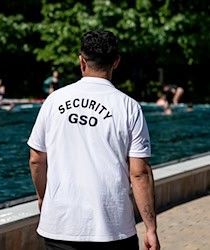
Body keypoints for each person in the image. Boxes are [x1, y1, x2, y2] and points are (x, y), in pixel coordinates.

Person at [27, 30, 160, 250]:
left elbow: (36, 159)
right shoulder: (128, 107)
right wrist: (151, 228)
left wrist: (44, 198)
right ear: (116, 62)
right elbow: (139, 173)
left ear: (81, 61)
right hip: (112, 228)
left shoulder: (54, 100)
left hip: (60, 224)